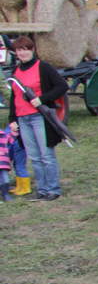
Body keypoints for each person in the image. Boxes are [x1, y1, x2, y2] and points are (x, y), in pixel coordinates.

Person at [6, 36, 68, 201]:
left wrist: (42, 99)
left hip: (39, 117)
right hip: (23, 119)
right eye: (19, 50)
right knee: (34, 157)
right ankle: (42, 190)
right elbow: (14, 97)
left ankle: (53, 189)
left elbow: (62, 86)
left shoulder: (43, 67)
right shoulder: (16, 71)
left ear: (32, 50)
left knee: (46, 155)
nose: (22, 53)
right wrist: (12, 119)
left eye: (25, 49)